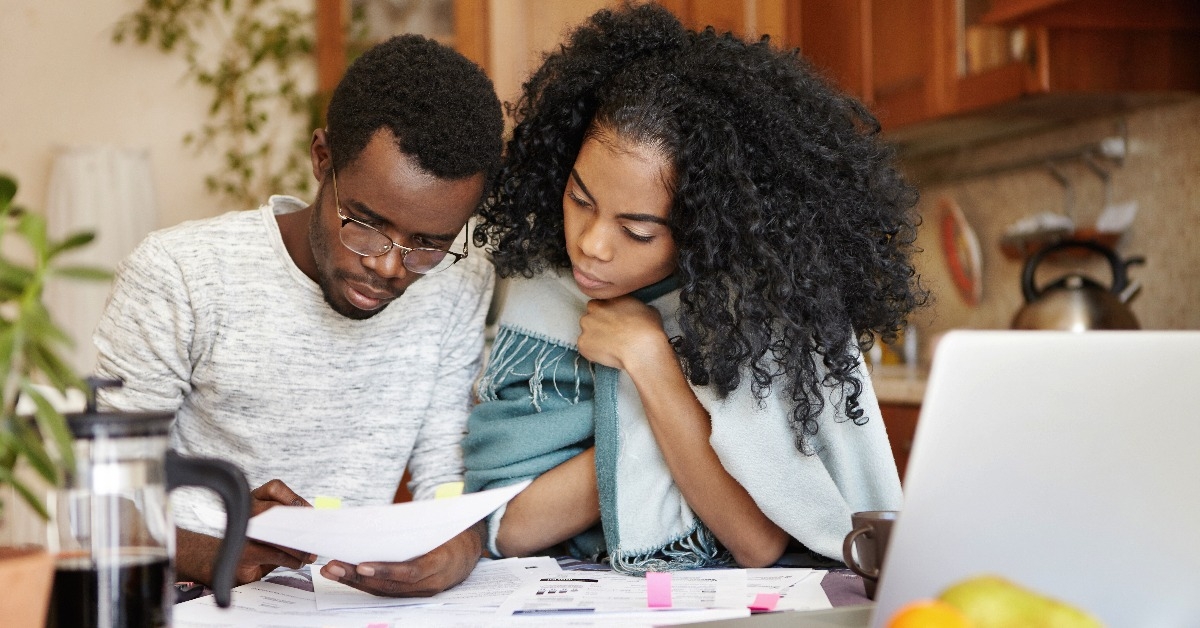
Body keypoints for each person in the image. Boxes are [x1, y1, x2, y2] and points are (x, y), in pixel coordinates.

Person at [463, 4, 924, 574]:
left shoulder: (757, 317)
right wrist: (661, 436)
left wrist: (650, 361)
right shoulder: (545, 290)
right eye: (580, 200)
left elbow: (757, 545)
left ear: (705, 228)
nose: (592, 245)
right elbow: (505, 527)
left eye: (637, 231)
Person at [93, 34, 504, 596]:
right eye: (365, 223)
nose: (390, 267)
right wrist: (211, 550)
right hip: (187, 594)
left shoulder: (460, 279)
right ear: (322, 158)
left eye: (428, 244)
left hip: (343, 601)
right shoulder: (179, 275)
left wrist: (460, 544)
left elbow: (445, 472)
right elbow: (98, 496)